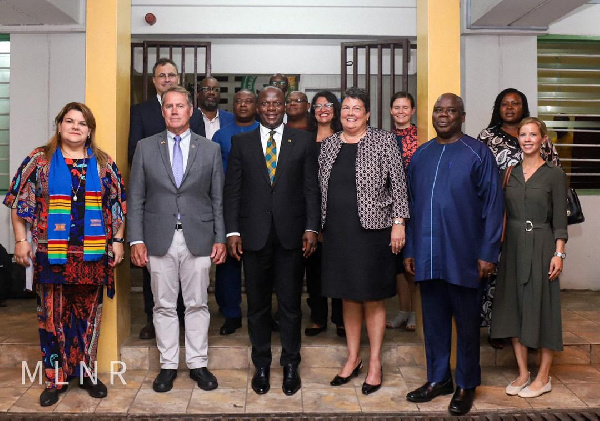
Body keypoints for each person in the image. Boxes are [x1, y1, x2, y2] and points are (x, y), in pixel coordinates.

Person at [4, 102, 126, 407]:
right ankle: (54, 379)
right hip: (51, 257)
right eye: (69, 121)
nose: (75, 127)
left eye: (82, 123)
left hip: (93, 257)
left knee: (88, 317)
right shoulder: (39, 160)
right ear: (59, 125)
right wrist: (21, 241)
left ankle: (86, 374)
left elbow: (118, 205)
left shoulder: (103, 164)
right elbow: (20, 204)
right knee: (52, 318)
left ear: (89, 130)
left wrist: (119, 240)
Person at [404, 93, 503, 416]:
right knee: (433, 323)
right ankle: (438, 379)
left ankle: (466, 384)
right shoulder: (421, 155)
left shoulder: (477, 153)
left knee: (467, 324)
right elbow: (411, 208)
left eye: (451, 111)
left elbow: (493, 206)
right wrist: (410, 249)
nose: (443, 115)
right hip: (428, 256)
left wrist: (488, 253)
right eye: (438, 110)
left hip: (465, 257)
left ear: (462, 116)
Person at [128, 86, 226, 393]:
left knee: (197, 304)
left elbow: (217, 199)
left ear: (190, 110)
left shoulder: (209, 149)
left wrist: (220, 238)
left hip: (198, 237)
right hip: (158, 239)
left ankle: (198, 363)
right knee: (163, 306)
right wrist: (136, 240)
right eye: (168, 106)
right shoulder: (145, 147)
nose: (173, 110)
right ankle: (168, 365)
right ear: (163, 111)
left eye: (179, 106)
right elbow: (137, 197)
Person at [223, 86, 320, 396]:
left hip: (292, 236)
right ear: (257, 107)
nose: (270, 108)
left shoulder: (303, 141)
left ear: (285, 107)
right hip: (253, 237)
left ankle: (291, 364)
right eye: (265, 103)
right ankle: (261, 364)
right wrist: (233, 231)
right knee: (258, 306)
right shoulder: (241, 142)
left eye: (277, 103)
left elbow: (310, 189)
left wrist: (311, 227)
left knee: (291, 305)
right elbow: (233, 191)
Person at [319, 87, 409, 395]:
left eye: (357, 108)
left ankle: (374, 363)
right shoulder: (329, 144)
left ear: (367, 114)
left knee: (372, 297)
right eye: (346, 108)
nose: (350, 113)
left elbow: (399, 184)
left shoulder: (384, 141)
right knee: (347, 296)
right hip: (338, 232)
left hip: (374, 231)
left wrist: (399, 223)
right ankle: (352, 358)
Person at [478, 88, 561, 348]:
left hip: (536, 220)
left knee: (535, 282)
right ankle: (500, 329)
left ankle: (532, 332)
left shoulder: (538, 135)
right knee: (499, 277)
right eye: (505, 104)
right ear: (498, 108)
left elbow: (555, 174)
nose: (510, 108)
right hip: (500, 216)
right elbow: (478, 174)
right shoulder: (487, 137)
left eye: (516, 103)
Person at [491, 117, 568, 398]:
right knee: (514, 306)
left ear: (543, 139)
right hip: (512, 246)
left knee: (544, 307)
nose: (527, 139)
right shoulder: (509, 173)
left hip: (542, 244)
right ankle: (523, 373)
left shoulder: (554, 174)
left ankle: (544, 376)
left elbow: (560, 218)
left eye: (533, 134)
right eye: (523, 134)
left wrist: (559, 252)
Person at [128, 57, 202, 340]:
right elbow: (134, 153)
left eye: (172, 75)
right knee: (155, 273)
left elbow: (200, 156)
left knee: (189, 275)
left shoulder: (190, 109)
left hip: (188, 205)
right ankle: (152, 318)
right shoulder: (142, 111)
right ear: (154, 80)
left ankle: (184, 318)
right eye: (162, 75)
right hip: (156, 202)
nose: (167, 79)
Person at [211, 89, 259, 335]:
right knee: (228, 263)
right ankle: (231, 313)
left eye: (248, 101)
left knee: (259, 263)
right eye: (238, 101)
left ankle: (259, 313)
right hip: (229, 204)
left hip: (259, 206)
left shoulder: (264, 131)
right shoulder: (221, 134)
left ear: (257, 106)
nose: (243, 105)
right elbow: (215, 172)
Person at [303, 90, 344, 338]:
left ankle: (340, 318)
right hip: (310, 211)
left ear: (335, 109)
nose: (323, 109)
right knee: (314, 268)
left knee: (339, 267)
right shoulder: (303, 139)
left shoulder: (344, 138)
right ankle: (318, 317)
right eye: (318, 105)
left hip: (339, 212)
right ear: (313, 111)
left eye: (328, 104)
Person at [386, 91, 418, 332]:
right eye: (396, 107)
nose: (400, 111)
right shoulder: (383, 138)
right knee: (396, 262)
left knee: (413, 260)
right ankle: (403, 310)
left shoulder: (421, 137)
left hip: (415, 206)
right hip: (389, 208)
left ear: (413, 111)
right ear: (390, 110)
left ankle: (416, 313)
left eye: (405, 107)